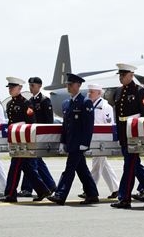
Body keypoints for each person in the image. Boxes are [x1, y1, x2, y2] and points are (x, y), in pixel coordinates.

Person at [110, 63, 144, 209]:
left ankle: (124, 198)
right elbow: (118, 115)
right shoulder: (118, 91)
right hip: (123, 132)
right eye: (119, 75)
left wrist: (143, 137)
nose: (120, 78)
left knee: (129, 165)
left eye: (123, 75)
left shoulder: (141, 91)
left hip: (134, 134)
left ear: (131, 75)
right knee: (135, 165)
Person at [47, 74, 99, 205]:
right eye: (67, 85)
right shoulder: (66, 103)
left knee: (69, 169)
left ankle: (60, 194)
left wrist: (85, 144)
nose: (68, 87)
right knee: (82, 170)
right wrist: (63, 142)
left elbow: (88, 126)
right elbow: (65, 126)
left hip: (79, 143)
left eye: (71, 84)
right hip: (71, 142)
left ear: (78, 85)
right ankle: (92, 194)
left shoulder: (85, 102)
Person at [0, 77, 51, 203]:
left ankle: (10, 193)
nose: (10, 90)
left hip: (23, 141)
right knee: (27, 168)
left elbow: (31, 124)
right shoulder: (10, 104)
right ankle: (43, 190)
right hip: (15, 139)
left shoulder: (26, 104)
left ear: (20, 88)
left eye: (13, 87)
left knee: (15, 167)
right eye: (9, 87)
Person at [79, 83, 119, 199]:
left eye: (92, 91)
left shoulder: (106, 107)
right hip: (92, 139)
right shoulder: (88, 105)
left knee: (96, 165)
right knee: (104, 165)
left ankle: (89, 190)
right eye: (89, 91)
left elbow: (108, 125)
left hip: (101, 141)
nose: (89, 93)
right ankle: (116, 188)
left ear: (99, 93)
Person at [19, 77, 57, 196]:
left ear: (39, 86)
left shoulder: (45, 101)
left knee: (32, 161)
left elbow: (49, 121)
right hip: (31, 135)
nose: (31, 88)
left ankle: (27, 188)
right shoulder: (30, 101)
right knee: (35, 161)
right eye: (30, 85)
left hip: (40, 136)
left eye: (33, 85)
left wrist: (47, 137)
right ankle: (50, 185)